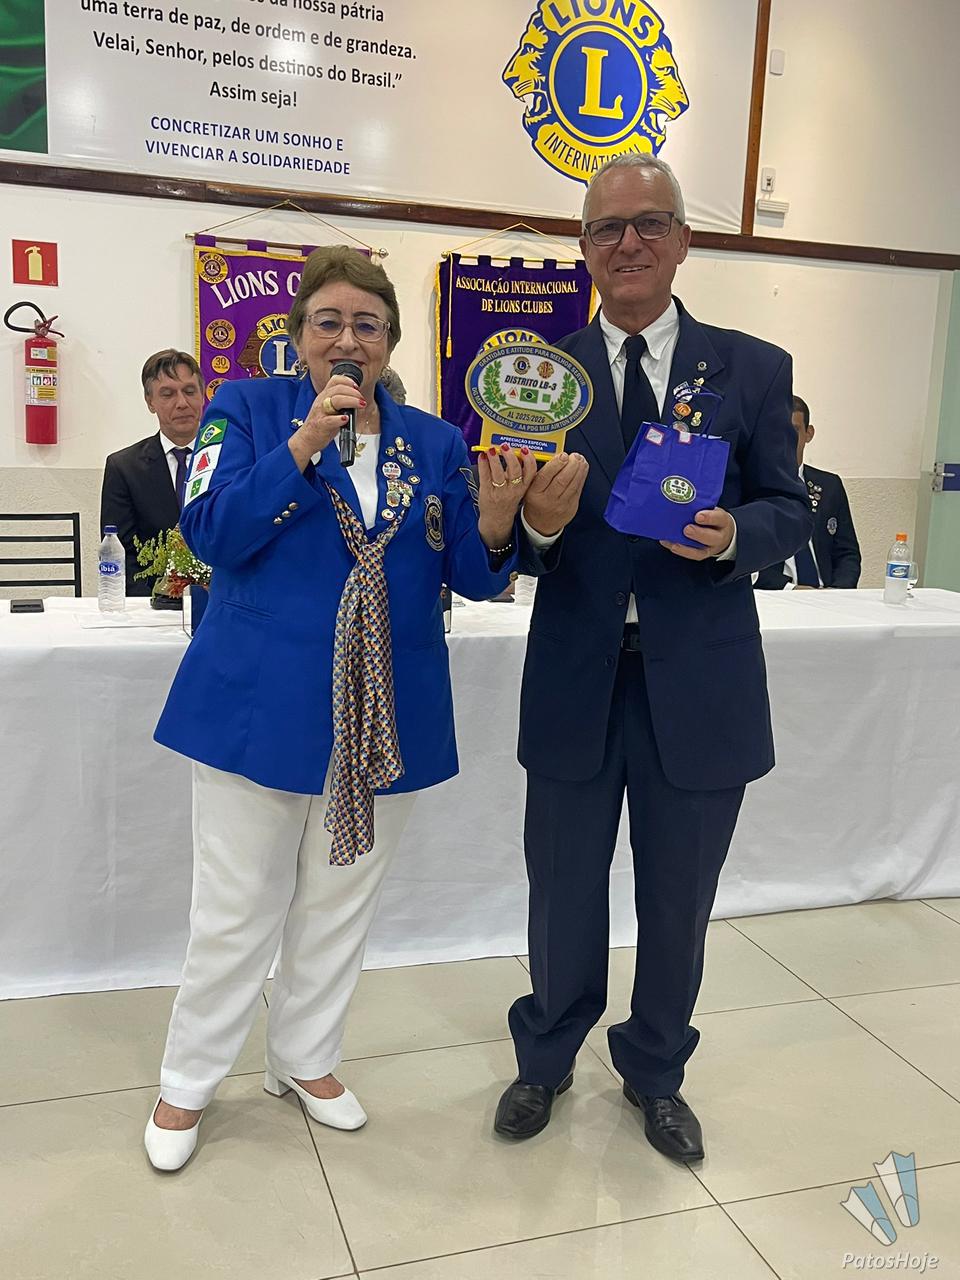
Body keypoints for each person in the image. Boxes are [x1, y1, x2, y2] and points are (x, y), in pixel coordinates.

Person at [142, 245, 575, 1172]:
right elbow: (211, 532)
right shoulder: (243, 411)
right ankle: (189, 1080)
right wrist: (303, 443)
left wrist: (507, 519)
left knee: (341, 902)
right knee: (236, 906)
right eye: (329, 322)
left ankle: (304, 1058)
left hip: (387, 705)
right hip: (261, 701)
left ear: (390, 340)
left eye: (366, 325)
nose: (348, 339)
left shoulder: (437, 442)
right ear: (299, 336)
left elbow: (472, 572)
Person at [496, 154, 813, 1162]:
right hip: (575, 678)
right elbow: (504, 533)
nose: (627, 242)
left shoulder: (752, 368)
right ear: (584, 249)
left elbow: (790, 505)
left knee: (679, 900)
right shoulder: (536, 377)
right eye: (607, 228)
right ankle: (546, 1054)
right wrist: (534, 529)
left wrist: (736, 536)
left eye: (648, 224)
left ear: (683, 241)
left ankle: (656, 1070)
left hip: (701, 682)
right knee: (562, 888)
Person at [99, 350, 204, 595]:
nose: (182, 403)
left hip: (221, 601)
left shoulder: (230, 458)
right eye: (167, 394)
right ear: (150, 402)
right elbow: (121, 553)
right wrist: (153, 605)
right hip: (153, 603)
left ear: (203, 395)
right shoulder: (124, 467)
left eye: (190, 391)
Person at [754, 395, 861, 589]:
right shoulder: (753, 486)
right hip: (778, 595)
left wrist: (838, 591)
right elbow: (745, 559)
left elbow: (848, 554)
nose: (786, 439)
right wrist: (790, 589)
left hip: (827, 594)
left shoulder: (829, 486)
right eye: (779, 431)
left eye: (794, 430)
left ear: (808, 433)